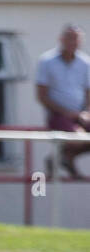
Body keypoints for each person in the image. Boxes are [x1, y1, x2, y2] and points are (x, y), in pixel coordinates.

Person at [35, 25, 90, 178]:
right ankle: (65, 158)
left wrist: (86, 113)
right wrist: (66, 113)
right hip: (57, 115)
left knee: (80, 137)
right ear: (61, 39)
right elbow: (42, 95)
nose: (73, 42)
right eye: (70, 38)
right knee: (76, 139)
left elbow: (88, 92)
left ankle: (60, 158)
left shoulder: (85, 62)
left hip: (80, 115)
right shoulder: (47, 61)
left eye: (76, 39)